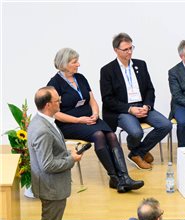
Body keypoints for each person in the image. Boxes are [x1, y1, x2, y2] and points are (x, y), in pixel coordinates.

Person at [47, 48, 143, 193]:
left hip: (90, 119)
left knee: (111, 134)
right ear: (65, 64)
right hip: (70, 123)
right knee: (98, 135)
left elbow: (92, 100)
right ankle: (115, 178)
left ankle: (124, 177)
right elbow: (55, 113)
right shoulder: (54, 84)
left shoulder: (80, 78)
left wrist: (96, 113)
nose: (78, 64)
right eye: (74, 62)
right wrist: (78, 120)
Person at [27, 86, 82, 220]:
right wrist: (72, 160)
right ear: (48, 104)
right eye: (58, 101)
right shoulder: (42, 129)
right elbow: (47, 165)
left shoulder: (43, 121)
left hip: (50, 185)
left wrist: (67, 155)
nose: (61, 103)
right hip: (51, 187)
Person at [100, 32, 172, 170]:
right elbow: (107, 99)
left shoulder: (141, 65)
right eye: (125, 49)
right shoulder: (107, 70)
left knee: (166, 125)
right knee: (137, 132)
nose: (129, 52)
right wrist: (129, 109)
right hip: (123, 110)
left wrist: (147, 106)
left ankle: (137, 152)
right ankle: (138, 149)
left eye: (131, 48)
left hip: (142, 106)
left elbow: (150, 89)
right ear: (116, 50)